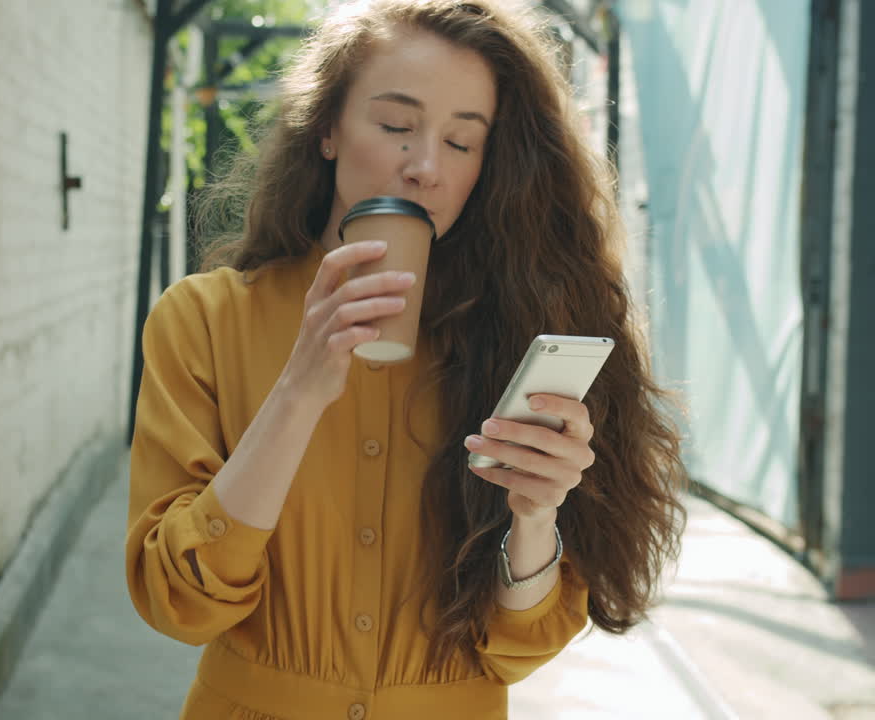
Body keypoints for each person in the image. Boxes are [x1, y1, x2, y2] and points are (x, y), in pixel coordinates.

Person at [126, 1, 686, 717]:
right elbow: (176, 601)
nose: (424, 166)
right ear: (327, 128)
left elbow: (518, 647)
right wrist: (296, 392)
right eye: (396, 127)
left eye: (461, 142)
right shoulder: (204, 319)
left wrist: (537, 514)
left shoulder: (516, 331)